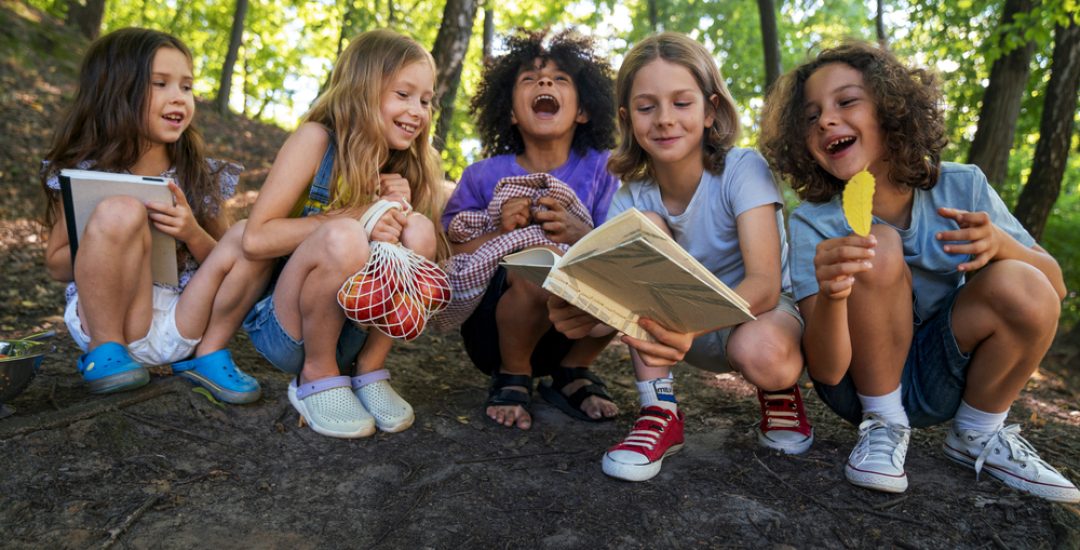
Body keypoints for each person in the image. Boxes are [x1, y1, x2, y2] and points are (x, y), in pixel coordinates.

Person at [759, 41, 1078, 503]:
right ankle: (884, 424)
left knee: (1022, 279)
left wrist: (1003, 246)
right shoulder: (815, 221)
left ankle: (978, 434)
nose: (825, 120)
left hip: (943, 375)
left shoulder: (963, 186)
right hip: (856, 387)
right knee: (878, 245)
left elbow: (1054, 287)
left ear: (892, 110)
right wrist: (832, 295)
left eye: (846, 101)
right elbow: (826, 370)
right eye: (811, 117)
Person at [549, 32, 812, 482]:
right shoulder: (631, 197)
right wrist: (582, 313)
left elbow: (765, 285)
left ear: (710, 110)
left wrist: (686, 327)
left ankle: (780, 392)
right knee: (643, 226)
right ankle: (659, 411)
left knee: (761, 352)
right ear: (628, 118)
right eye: (647, 107)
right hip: (673, 329)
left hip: (757, 318)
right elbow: (618, 306)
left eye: (682, 103)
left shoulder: (742, 169)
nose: (665, 119)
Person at [41, 28, 268, 404]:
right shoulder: (88, 173)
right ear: (115, 91)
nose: (179, 97)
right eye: (160, 84)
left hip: (185, 321)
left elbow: (229, 262)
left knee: (250, 237)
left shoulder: (197, 174)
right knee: (121, 209)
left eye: (187, 87)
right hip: (115, 318)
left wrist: (191, 234)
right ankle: (104, 351)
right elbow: (56, 263)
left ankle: (210, 354)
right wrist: (114, 240)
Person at [241, 29, 444, 439]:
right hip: (288, 328)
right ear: (363, 89)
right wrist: (359, 215)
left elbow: (404, 261)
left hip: (354, 332)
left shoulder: (403, 165)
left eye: (425, 100)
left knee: (420, 230)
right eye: (402, 94)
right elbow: (256, 238)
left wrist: (392, 213)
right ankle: (316, 374)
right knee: (345, 236)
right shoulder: (316, 141)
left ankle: (369, 368)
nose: (417, 111)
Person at [441, 29, 621, 430]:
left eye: (560, 79)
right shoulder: (481, 175)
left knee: (628, 278)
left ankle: (573, 370)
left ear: (583, 111)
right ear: (509, 111)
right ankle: (514, 373)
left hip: (576, 329)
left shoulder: (604, 168)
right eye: (530, 78)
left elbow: (619, 249)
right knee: (539, 264)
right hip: (493, 331)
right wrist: (501, 231)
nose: (544, 83)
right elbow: (448, 251)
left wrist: (579, 231)